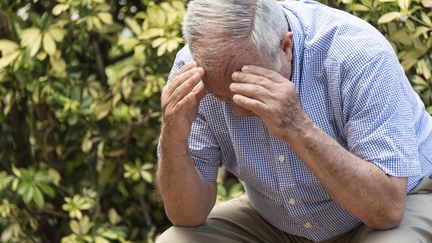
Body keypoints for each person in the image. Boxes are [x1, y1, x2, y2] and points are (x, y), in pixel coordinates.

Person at [155, 0, 432, 242]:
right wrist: (172, 136)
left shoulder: (356, 53)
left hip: (401, 201)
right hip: (279, 219)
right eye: (222, 97)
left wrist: (297, 127)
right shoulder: (192, 72)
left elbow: (386, 210)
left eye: (251, 86)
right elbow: (187, 215)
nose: (238, 112)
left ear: (286, 46)